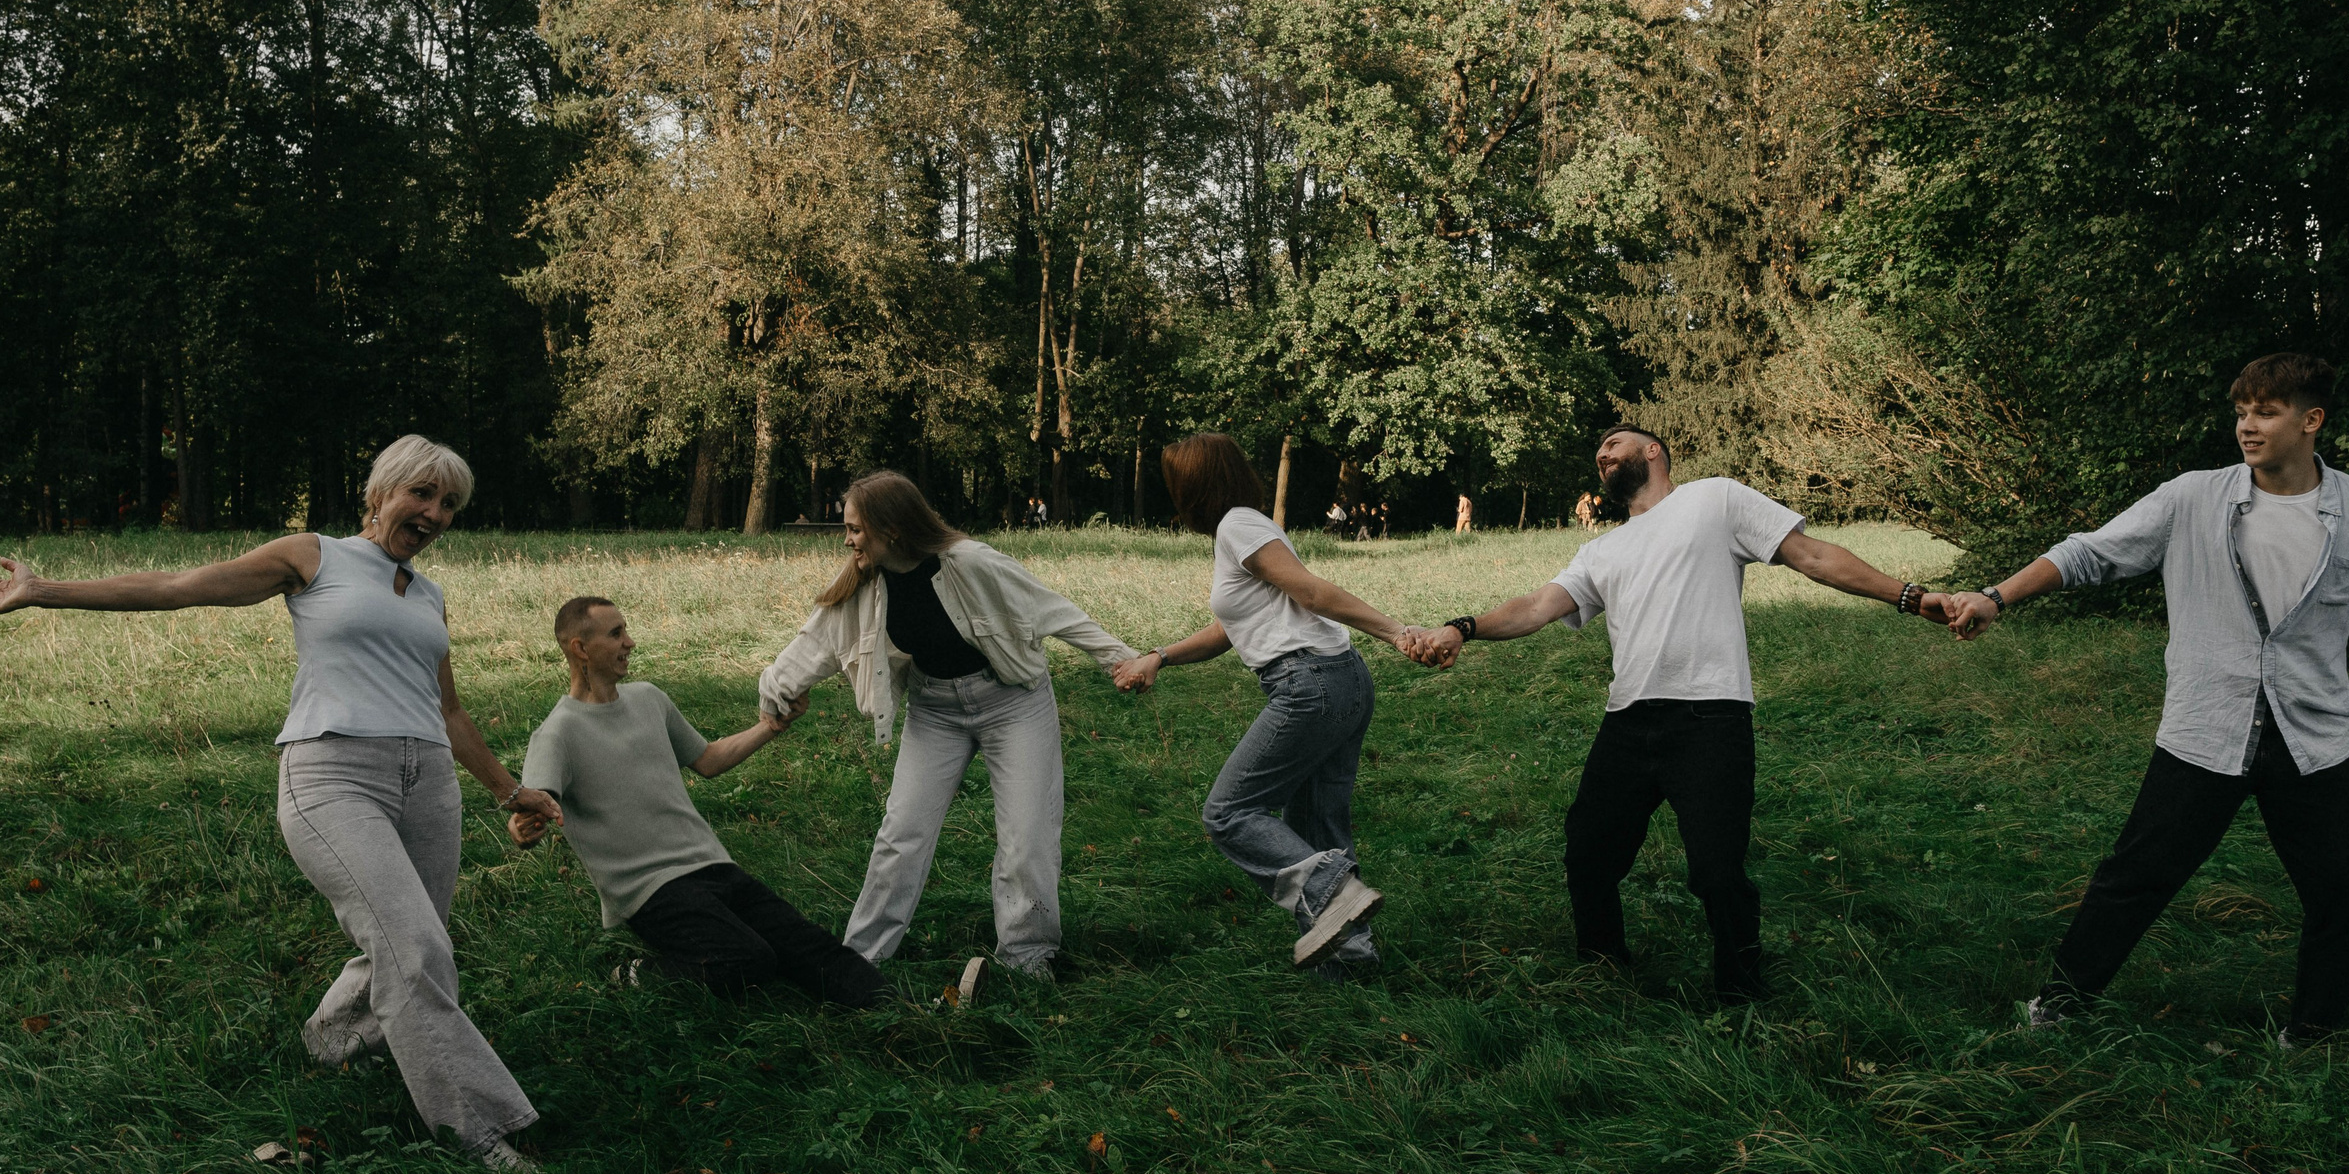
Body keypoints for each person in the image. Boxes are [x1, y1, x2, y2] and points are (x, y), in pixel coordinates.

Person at [0, 436, 558, 1173]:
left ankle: (334, 1038)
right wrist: (47, 590)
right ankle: (480, 1131)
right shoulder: (314, 556)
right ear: (381, 493)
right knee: (416, 949)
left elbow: (450, 711)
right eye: (422, 494)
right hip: (333, 773)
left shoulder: (427, 594)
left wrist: (507, 789)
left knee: (411, 939)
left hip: (427, 779)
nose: (434, 513)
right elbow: (182, 584)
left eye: (449, 503)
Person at [1939, 354, 2349, 1046]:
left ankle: (2313, 1029)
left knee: (2345, 885)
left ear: (2310, 419)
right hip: (2208, 727)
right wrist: (1996, 596)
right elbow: (2090, 552)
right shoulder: (2193, 497)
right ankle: (2058, 1006)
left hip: (2313, 734)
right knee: (2136, 874)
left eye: (2265, 411)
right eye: (2241, 412)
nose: (2247, 426)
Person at [1403, 424, 1951, 1004]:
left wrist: (1911, 598)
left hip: (1710, 715)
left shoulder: (1713, 499)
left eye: (1614, 444)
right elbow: (1536, 607)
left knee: (1718, 871)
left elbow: (1812, 556)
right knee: (1587, 851)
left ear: (1653, 451)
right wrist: (1462, 628)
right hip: (1628, 719)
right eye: (1598, 453)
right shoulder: (1602, 550)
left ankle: (1741, 995)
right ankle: (1603, 969)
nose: (1602, 455)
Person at [756, 470, 1136, 998]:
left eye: (855, 530)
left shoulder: (971, 562)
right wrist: (776, 692)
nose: (847, 540)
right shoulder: (865, 581)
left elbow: (1051, 609)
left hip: (1012, 702)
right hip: (935, 710)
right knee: (901, 834)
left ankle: (1028, 960)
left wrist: (1120, 661)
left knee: (1026, 837)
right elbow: (815, 640)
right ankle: (860, 958)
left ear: (891, 528)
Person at [1114, 434, 1428, 975]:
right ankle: (1352, 963)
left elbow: (1310, 592)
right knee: (1316, 828)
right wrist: (1159, 656)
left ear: (1193, 485)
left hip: (1310, 684)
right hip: (1342, 680)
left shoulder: (1239, 525)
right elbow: (1227, 630)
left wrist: (1398, 632)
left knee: (1229, 812)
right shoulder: (1244, 527)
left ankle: (1335, 890)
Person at [510, 596, 887, 1009]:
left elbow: (708, 760)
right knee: (748, 958)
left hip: (711, 864)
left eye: (626, 630)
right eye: (616, 634)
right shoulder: (557, 733)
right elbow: (535, 803)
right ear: (579, 648)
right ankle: (639, 974)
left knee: (807, 943)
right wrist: (523, 828)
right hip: (649, 890)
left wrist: (772, 726)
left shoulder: (648, 698)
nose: (630, 642)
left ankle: (903, 1010)